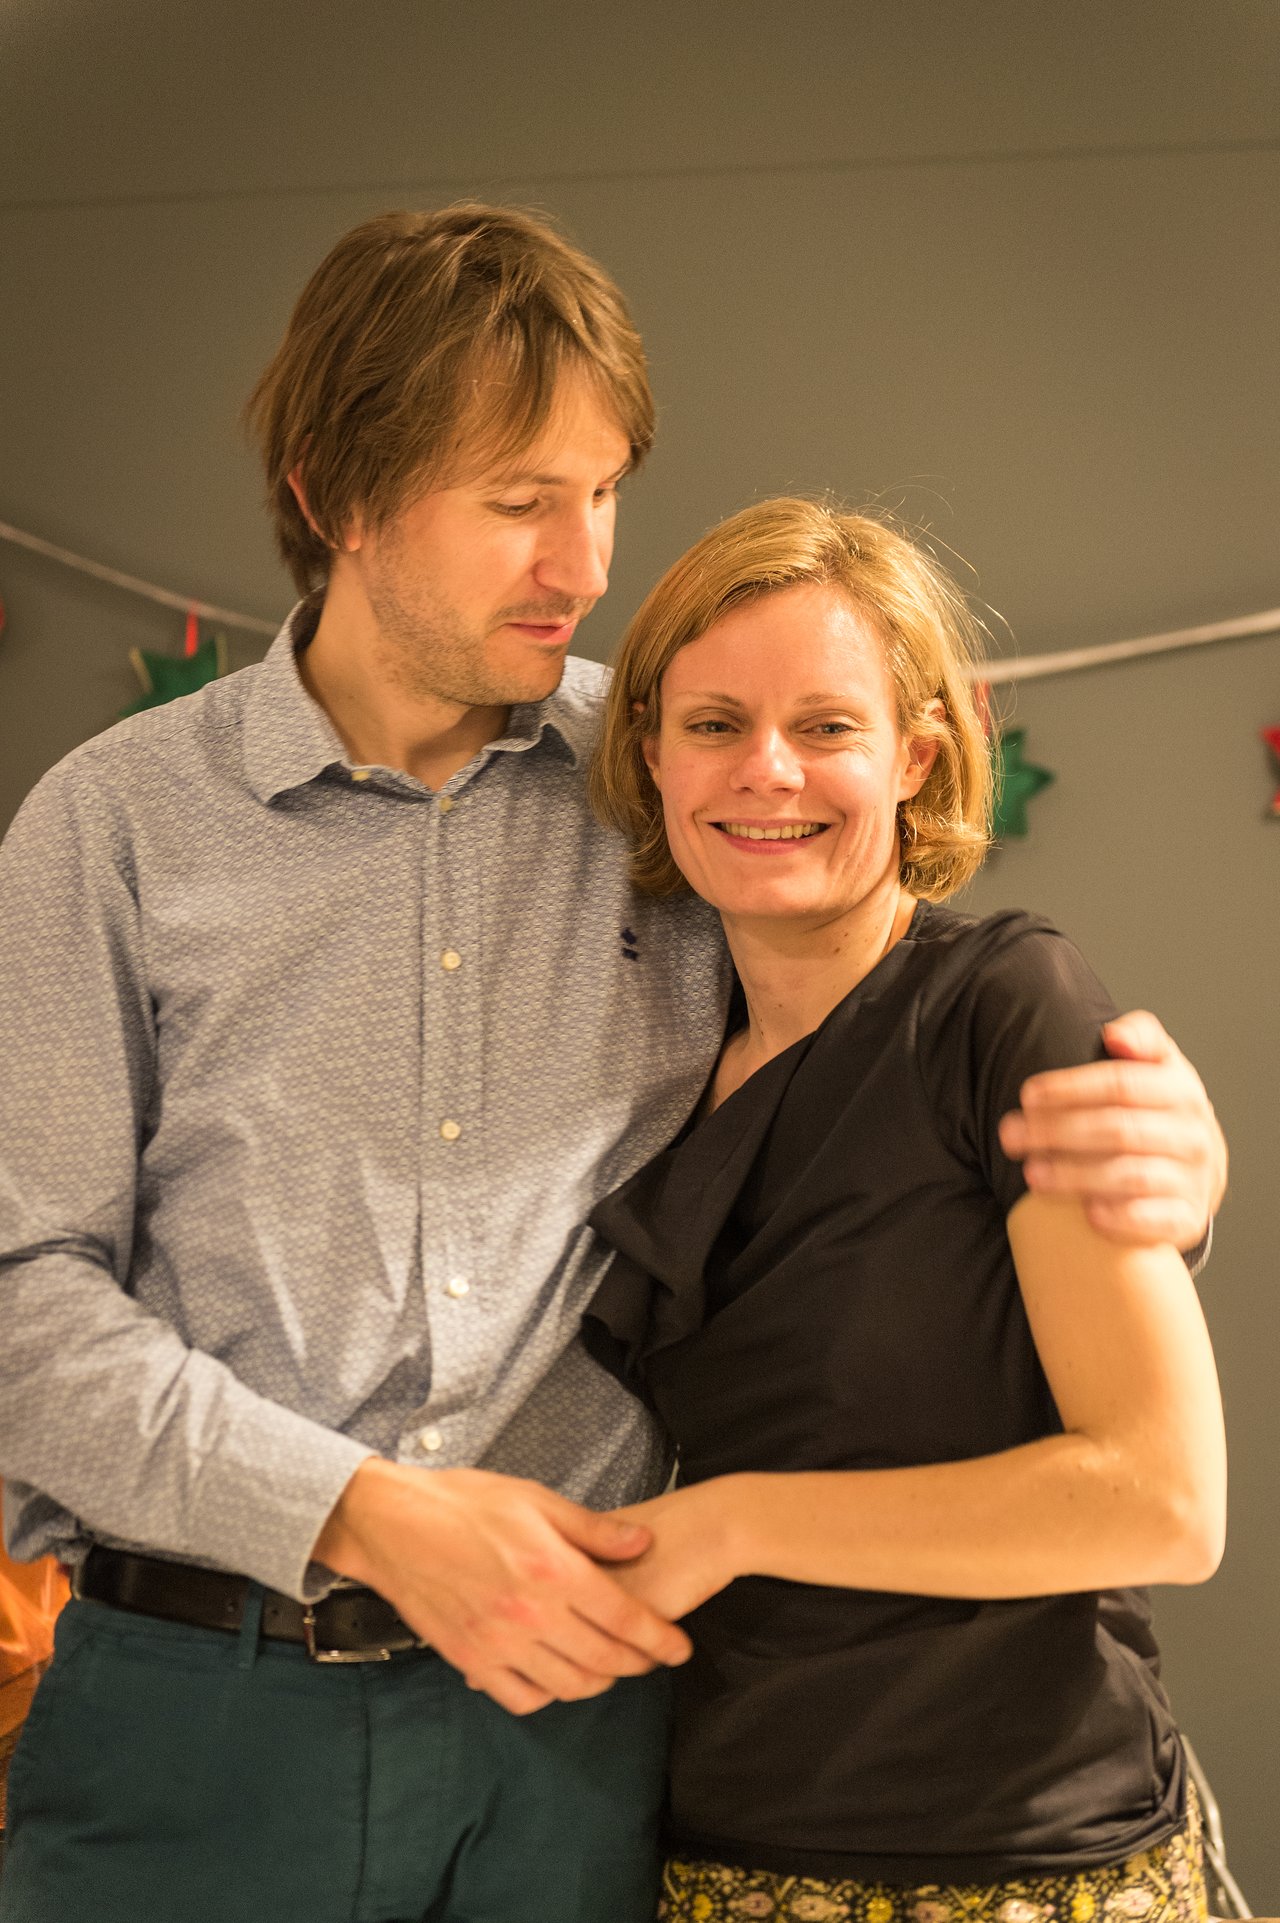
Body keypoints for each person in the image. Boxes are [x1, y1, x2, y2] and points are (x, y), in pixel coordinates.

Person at [0, 209, 1224, 1923]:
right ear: (337, 498)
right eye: (520, 504)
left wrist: (1153, 1156)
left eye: (601, 495)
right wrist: (364, 1514)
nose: (582, 564)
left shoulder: (672, 769)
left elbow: (895, 1064)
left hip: (583, 1726)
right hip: (206, 1710)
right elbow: (20, 1307)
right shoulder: (111, 826)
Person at [583, 496, 1227, 1923]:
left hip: (1028, 1861)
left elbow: (1164, 1505)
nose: (767, 772)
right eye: (712, 725)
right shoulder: (653, 1059)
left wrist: (734, 1524)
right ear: (648, 754)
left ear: (916, 756)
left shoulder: (1003, 1006)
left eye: (827, 725)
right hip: (724, 1849)